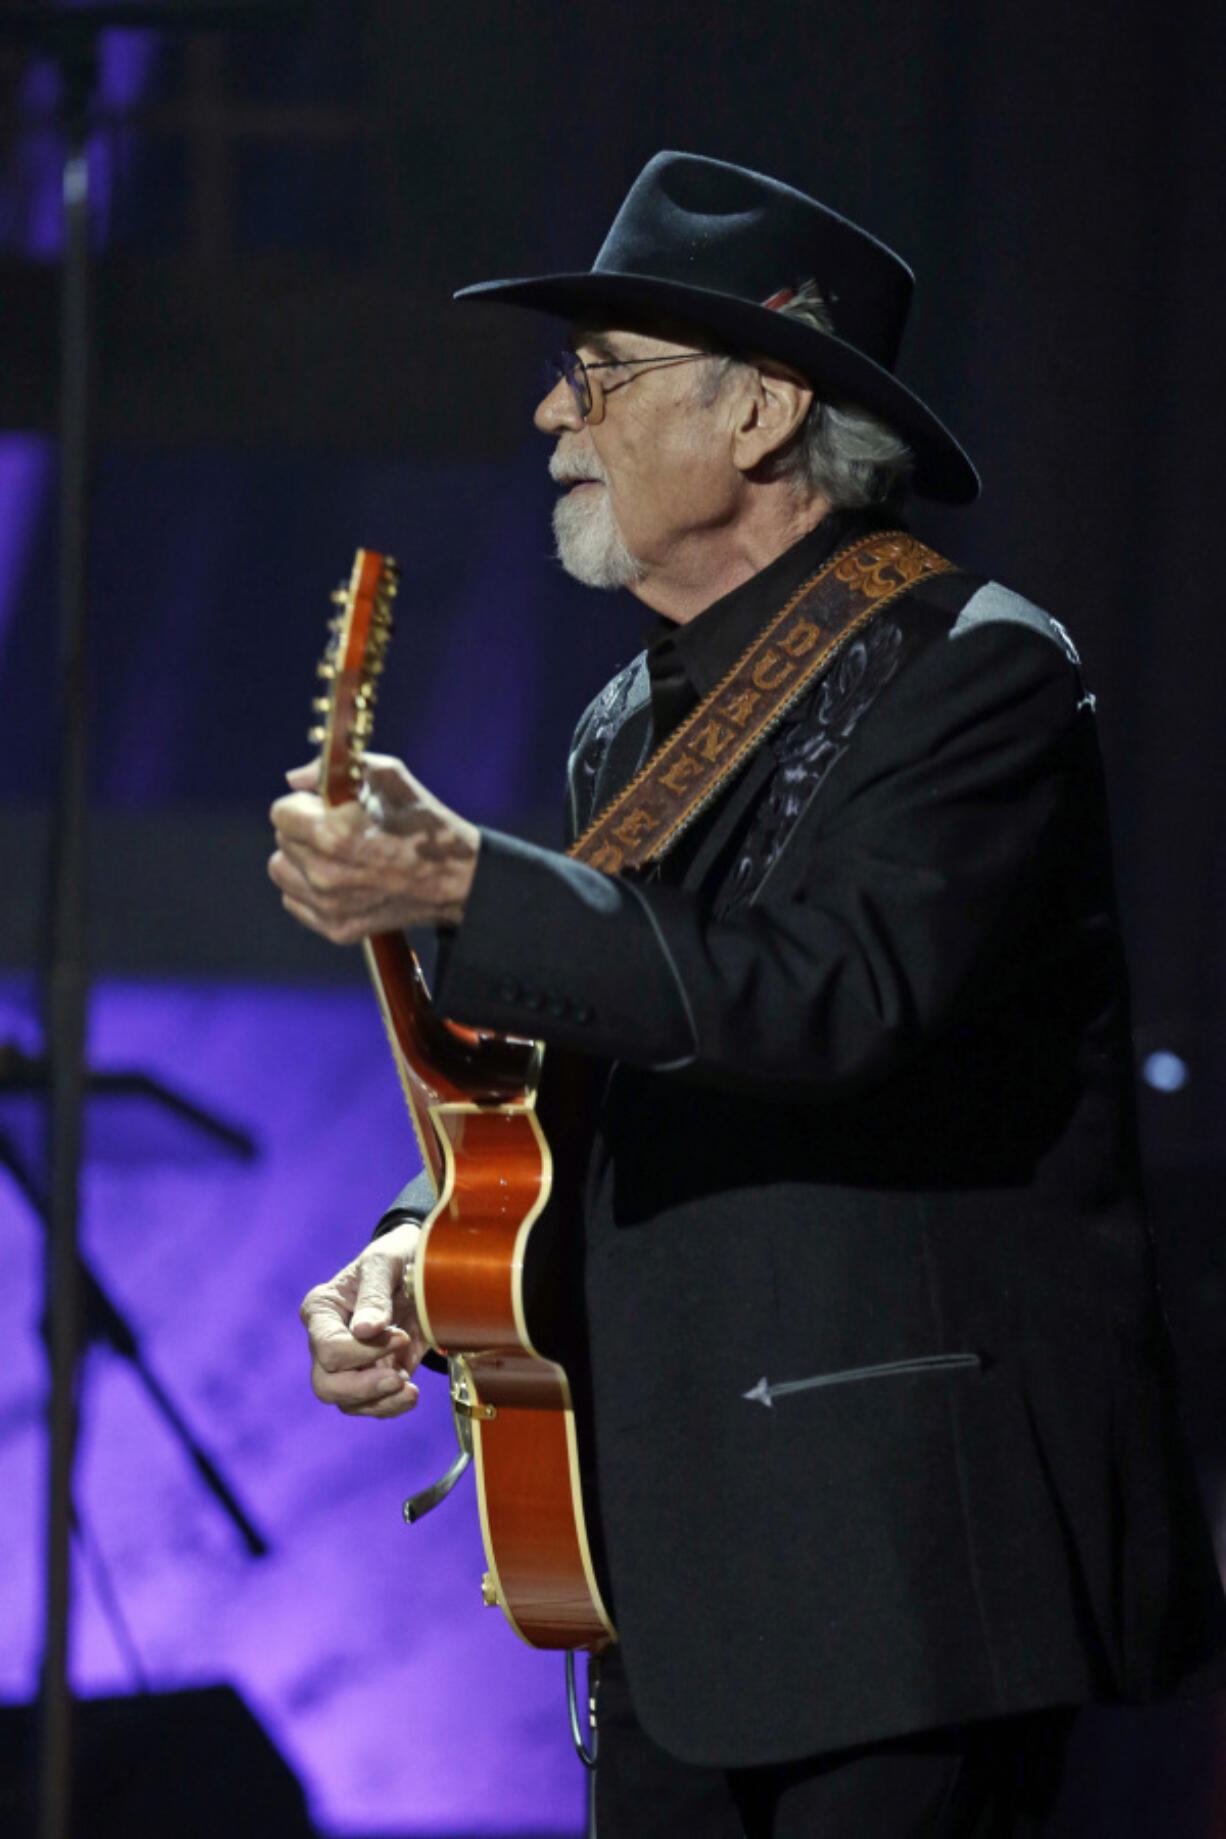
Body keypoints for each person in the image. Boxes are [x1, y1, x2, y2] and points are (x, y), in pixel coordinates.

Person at [269, 153, 1225, 1837]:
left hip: (904, 1569)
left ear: (764, 408)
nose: (556, 413)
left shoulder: (978, 667)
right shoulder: (627, 721)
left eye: (603, 372)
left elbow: (834, 996)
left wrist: (468, 888)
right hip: (674, 1568)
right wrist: (429, 1238)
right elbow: (609, 1067)